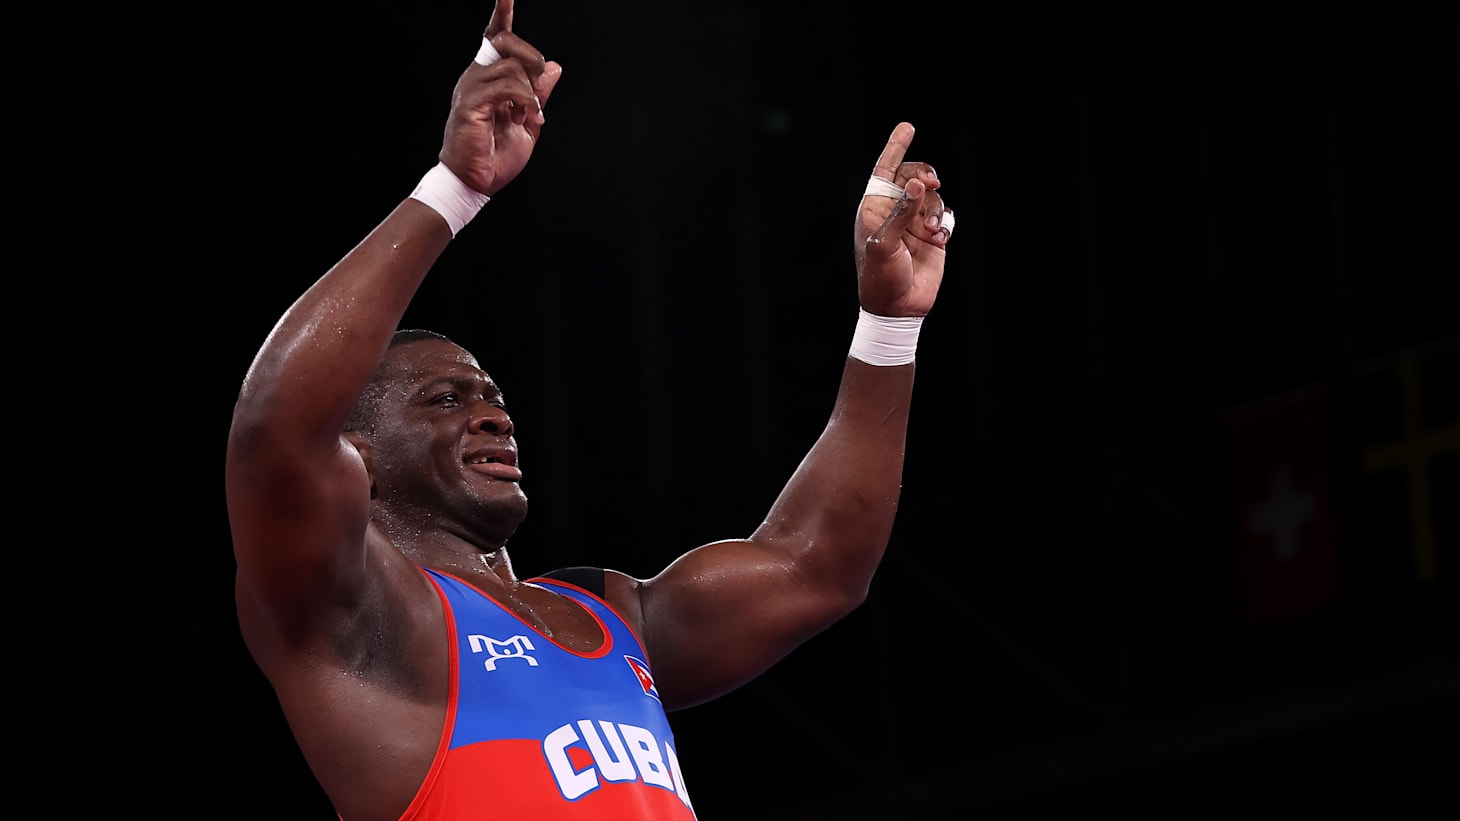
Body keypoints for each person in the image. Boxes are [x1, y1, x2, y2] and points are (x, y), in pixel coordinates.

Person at [225, 0, 954, 818]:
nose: (494, 417)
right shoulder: (357, 611)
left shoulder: (613, 616)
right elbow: (275, 429)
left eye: (494, 398)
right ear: (355, 451)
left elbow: (816, 567)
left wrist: (889, 326)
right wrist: (455, 188)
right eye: (446, 399)